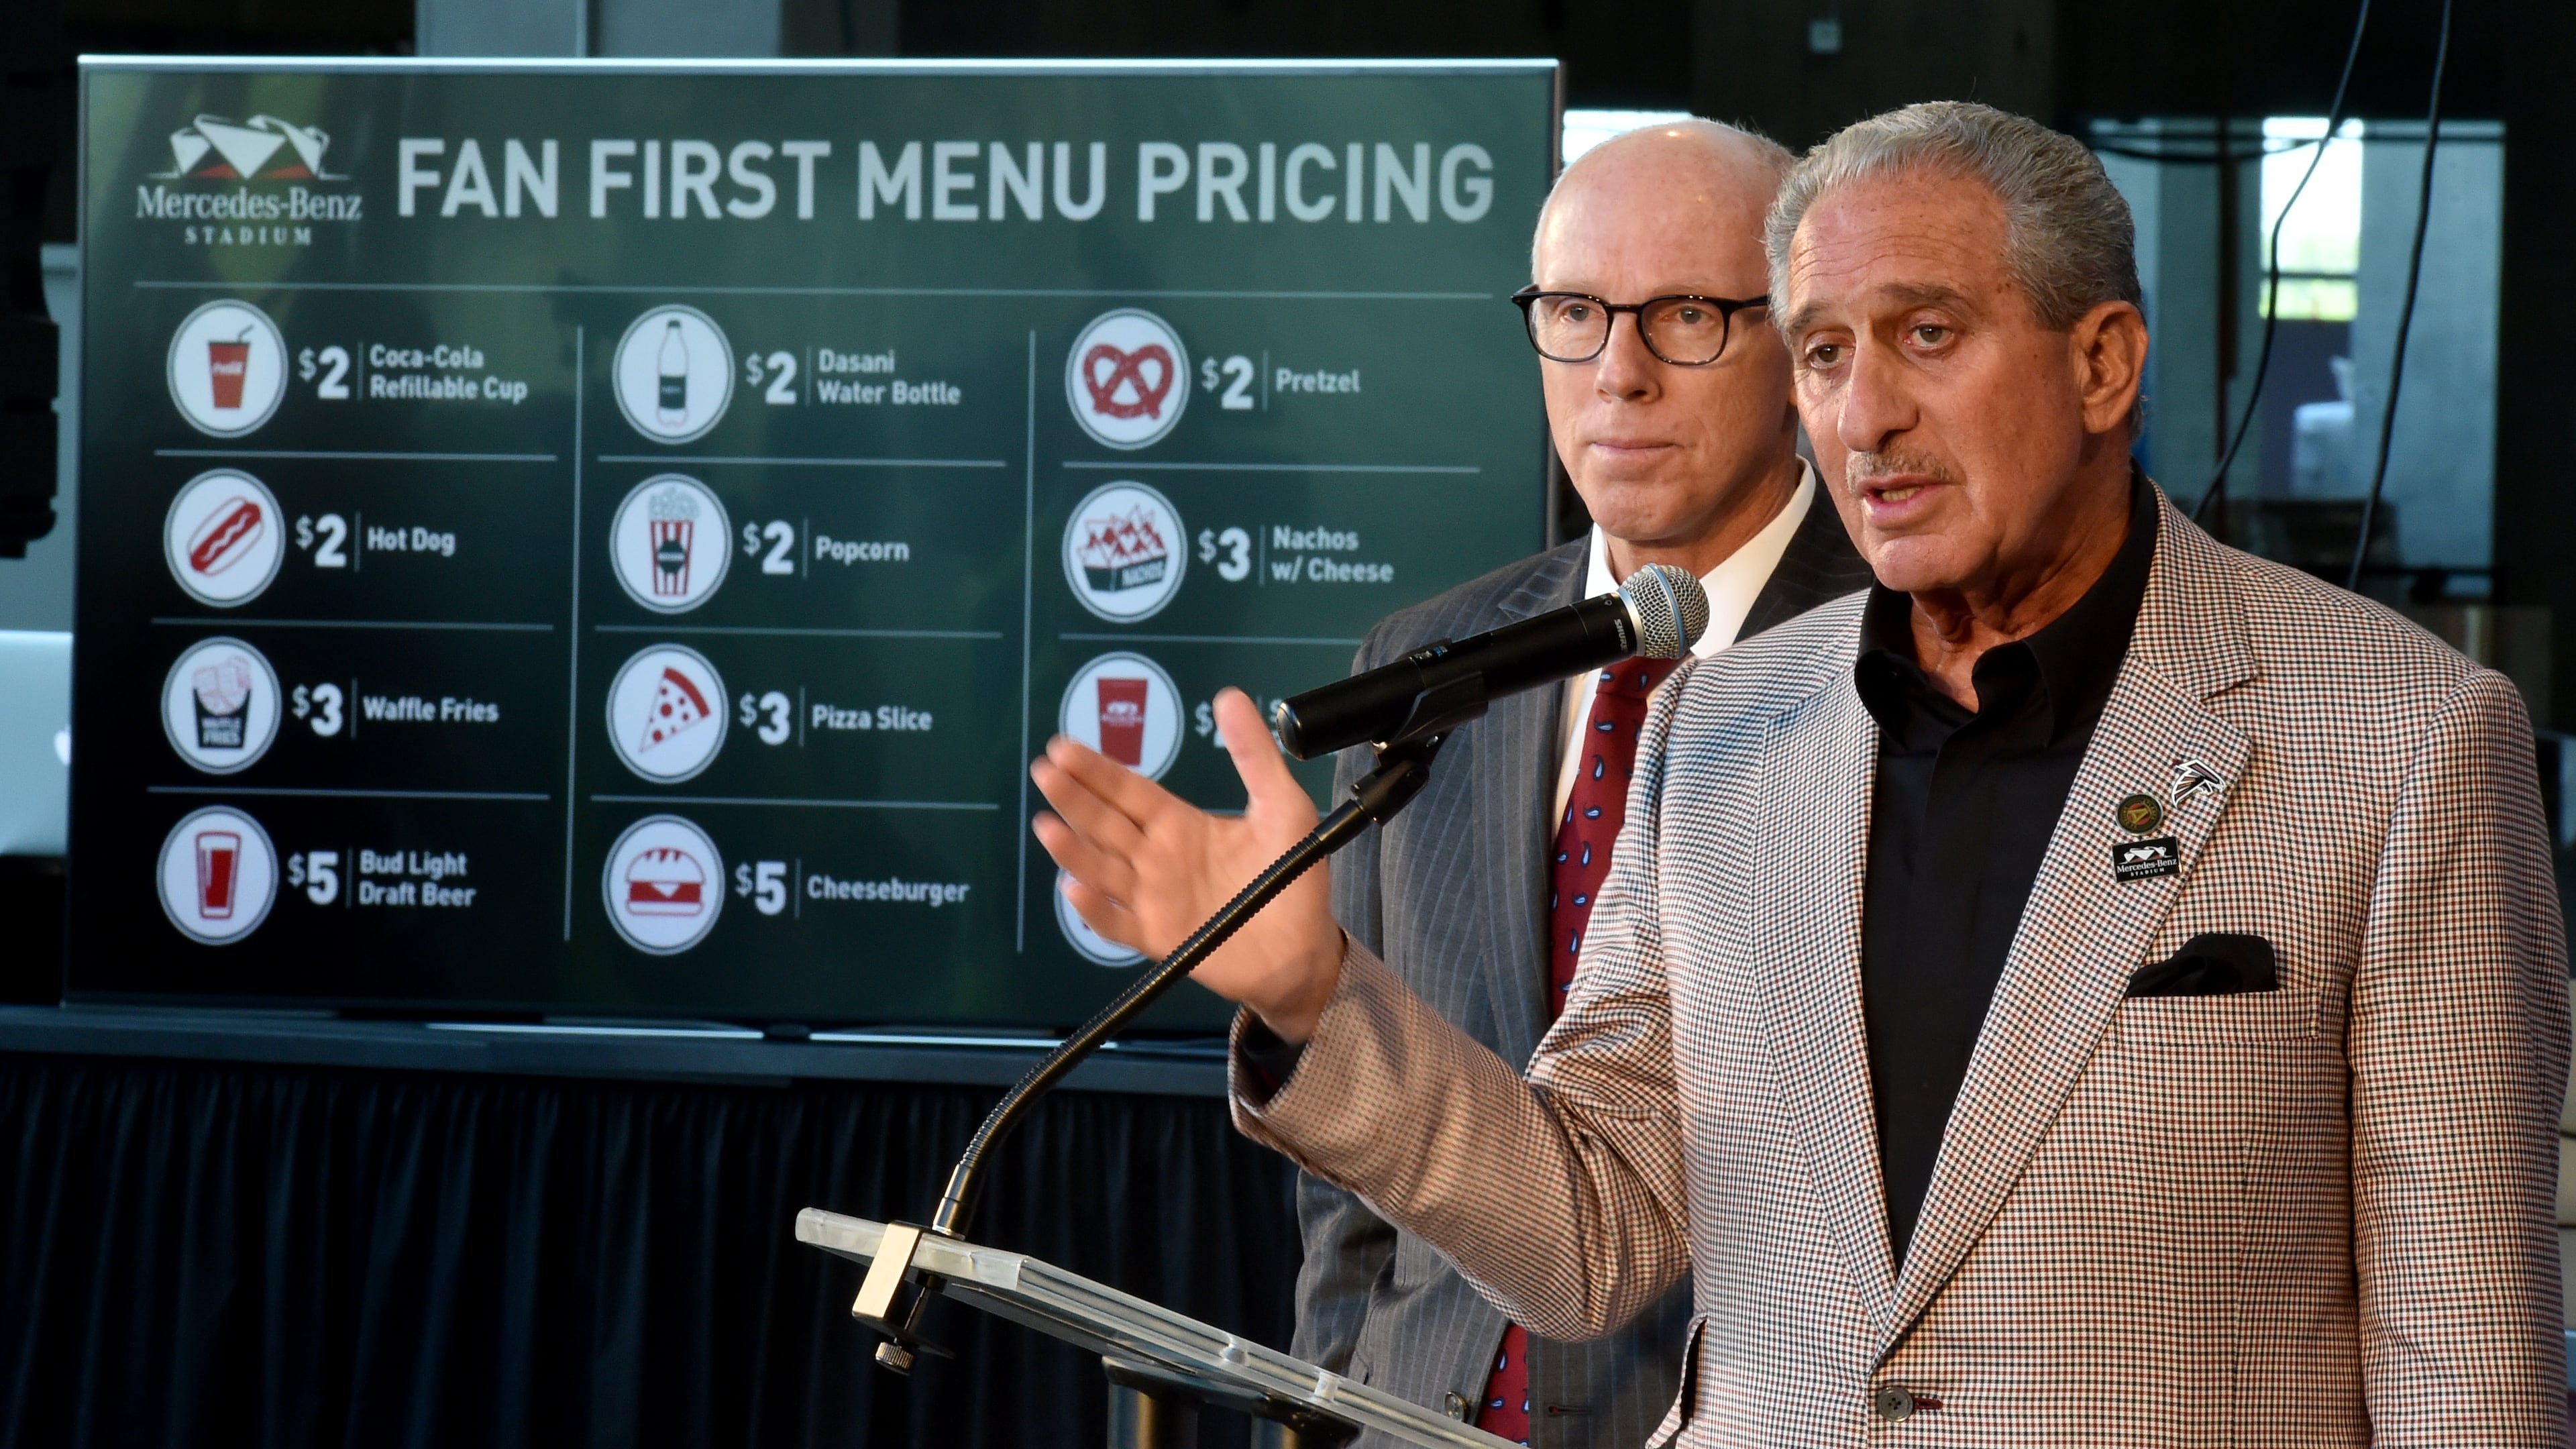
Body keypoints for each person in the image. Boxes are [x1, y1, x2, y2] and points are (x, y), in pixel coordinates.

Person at [1031, 101, 2570, 1446]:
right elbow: (1592, 1229)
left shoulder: (2402, 739)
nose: (1864, 413)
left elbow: (2471, 1369)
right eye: (1826, 353)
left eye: (1927, 337)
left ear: (2104, 362)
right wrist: (1317, 999)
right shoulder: (1720, 724)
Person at [1299, 119, 1870, 1448]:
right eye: (1574, 312)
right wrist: (1337, 1393)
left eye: (1683, 315)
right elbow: (1352, 1179)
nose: (1619, 375)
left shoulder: (1911, 668)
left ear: (1800, 345)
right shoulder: (1420, 667)